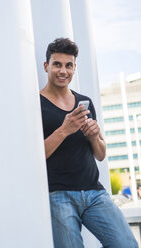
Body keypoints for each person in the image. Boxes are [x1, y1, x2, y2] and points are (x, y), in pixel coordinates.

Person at [40, 38, 138, 248]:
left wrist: (94, 136)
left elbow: (100, 154)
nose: (63, 71)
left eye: (69, 65)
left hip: (95, 193)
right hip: (59, 195)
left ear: (74, 68)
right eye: (57, 64)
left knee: (126, 244)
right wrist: (64, 130)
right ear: (46, 66)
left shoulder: (84, 102)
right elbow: (36, 156)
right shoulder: (35, 104)